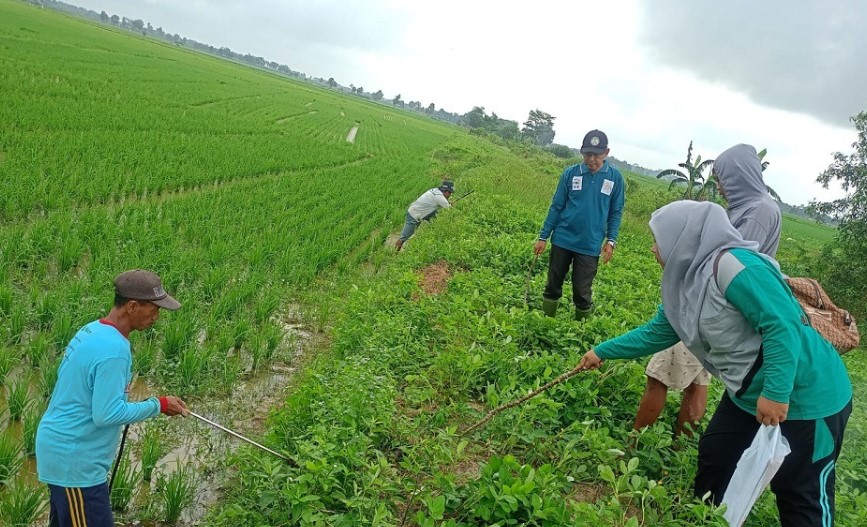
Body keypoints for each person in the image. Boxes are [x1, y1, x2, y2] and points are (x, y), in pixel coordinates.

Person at [578, 201, 851, 526]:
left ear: (683, 238)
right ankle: (703, 520)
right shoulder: (684, 285)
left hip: (808, 397)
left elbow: (781, 323)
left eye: (658, 239)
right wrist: (601, 352)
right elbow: (656, 333)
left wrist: (777, 393)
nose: (653, 248)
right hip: (746, 396)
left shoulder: (735, 266)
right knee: (716, 458)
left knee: (800, 493)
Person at [634, 144, 783, 437]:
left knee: (659, 376)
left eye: (722, 179)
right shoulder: (749, 207)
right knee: (698, 380)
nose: (720, 187)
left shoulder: (758, 211)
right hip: (717, 313)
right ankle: (679, 446)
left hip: (711, 308)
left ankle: (633, 442)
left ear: (740, 176)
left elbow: (731, 265)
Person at [36, 269, 190, 527]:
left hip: (62, 452)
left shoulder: (92, 330)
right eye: (153, 309)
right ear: (132, 306)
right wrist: (158, 405)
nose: (156, 316)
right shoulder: (115, 349)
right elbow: (106, 414)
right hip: (75, 463)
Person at [534, 129, 624, 320]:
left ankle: (580, 333)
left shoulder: (614, 178)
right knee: (553, 285)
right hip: (562, 240)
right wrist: (544, 236)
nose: (591, 159)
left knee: (582, 292)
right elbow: (557, 206)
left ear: (606, 153)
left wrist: (611, 240)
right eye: (587, 154)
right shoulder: (570, 173)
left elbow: (615, 212)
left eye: (596, 155)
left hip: (590, 245)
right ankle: (545, 324)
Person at [395, 180, 454, 251]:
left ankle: (433, 235)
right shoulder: (440, 198)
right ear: (446, 191)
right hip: (414, 215)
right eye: (450, 192)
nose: (450, 195)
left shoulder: (435, 190)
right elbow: (452, 211)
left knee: (436, 220)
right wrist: (449, 205)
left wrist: (447, 203)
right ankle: (394, 254)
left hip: (419, 211)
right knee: (404, 237)